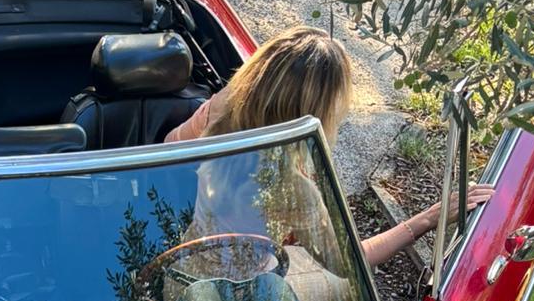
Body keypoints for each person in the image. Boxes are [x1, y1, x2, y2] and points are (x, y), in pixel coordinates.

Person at [167, 25, 494, 267]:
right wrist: (431, 217)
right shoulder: (290, 187)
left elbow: (169, 146)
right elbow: (348, 263)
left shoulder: (219, 112)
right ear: (315, 113)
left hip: (182, 270)